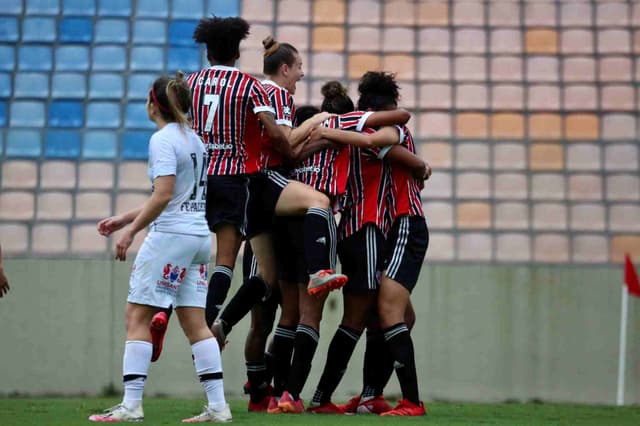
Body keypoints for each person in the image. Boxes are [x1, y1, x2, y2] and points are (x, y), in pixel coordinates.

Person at [89, 73, 231, 423]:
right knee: (196, 325)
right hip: (198, 239)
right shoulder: (194, 140)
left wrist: (131, 232)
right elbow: (174, 196)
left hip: (169, 238)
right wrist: (125, 218)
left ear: (153, 103)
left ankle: (131, 405)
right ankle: (218, 407)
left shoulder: (162, 140)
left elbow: (164, 194)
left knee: (136, 317)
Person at [275, 81, 410, 414]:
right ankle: (321, 397)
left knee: (390, 314)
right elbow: (394, 132)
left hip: (300, 225)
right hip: (354, 226)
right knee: (356, 317)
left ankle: (289, 393)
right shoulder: (347, 126)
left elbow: (293, 151)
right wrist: (419, 164)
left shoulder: (317, 133)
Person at [306, 72, 430, 415]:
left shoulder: (344, 134)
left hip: (365, 228)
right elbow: (392, 139)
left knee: (397, 314)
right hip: (368, 228)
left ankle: (370, 394)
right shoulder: (364, 132)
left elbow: (389, 142)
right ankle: (328, 398)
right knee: (367, 315)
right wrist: (420, 164)